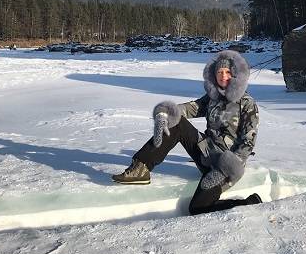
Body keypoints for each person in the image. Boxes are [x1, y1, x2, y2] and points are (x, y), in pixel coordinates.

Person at [112, 50, 262, 215]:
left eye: (227, 72)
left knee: (197, 208)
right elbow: (192, 108)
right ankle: (141, 167)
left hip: (227, 166)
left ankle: (249, 203)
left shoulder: (247, 103)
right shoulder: (213, 97)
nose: (223, 76)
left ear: (235, 75)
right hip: (207, 153)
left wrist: (224, 170)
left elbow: (248, 142)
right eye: (219, 72)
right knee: (178, 123)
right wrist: (166, 113)